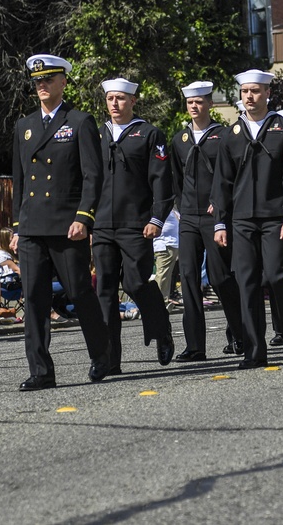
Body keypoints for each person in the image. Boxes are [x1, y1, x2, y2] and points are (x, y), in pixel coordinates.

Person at [11, 53, 110, 390]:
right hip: (32, 227)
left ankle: (102, 355)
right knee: (35, 300)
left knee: (80, 293)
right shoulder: (23, 127)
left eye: (48, 79)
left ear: (63, 82)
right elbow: (20, 182)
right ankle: (41, 370)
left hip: (67, 226)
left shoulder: (79, 122)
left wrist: (85, 217)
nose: (42, 85)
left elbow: (92, 176)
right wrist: (16, 227)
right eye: (37, 81)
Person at [212, 69, 283, 369]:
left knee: (278, 278)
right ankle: (254, 350)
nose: (249, 97)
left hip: (276, 217)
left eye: (255, 91)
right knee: (247, 282)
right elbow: (222, 181)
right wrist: (220, 222)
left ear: (267, 94)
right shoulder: (232, 134)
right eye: (245, 92)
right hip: (241, 220)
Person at [93, 77, 176, 373]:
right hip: (101, 223)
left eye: (121, 99)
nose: (115, 104)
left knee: (135, 283)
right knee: (104, 291)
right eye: (110, 99)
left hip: (136, 224)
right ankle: (108, 360)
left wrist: (157, 218)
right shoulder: (96, 135)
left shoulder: (149, 133)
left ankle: (161, 329)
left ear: (133, 101)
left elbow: (161, 180)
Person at [168, 80, 244, 362]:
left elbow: (231, 176)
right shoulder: (180, 139)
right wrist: (179, 207)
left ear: (210, 104)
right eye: (190, 103)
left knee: (221, 277)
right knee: (187, 278)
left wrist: (222, 206)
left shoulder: (223, 136)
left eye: (200, 102)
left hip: (215, 218)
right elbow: (175, 178)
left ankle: (239, 334)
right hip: (188, 217)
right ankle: (195, 346)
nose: (194, 107)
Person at [152, 208, 180, 305]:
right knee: (162, 275)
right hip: (165, 245)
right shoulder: (160, 208)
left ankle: (164, 299)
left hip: (173, 245)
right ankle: (157, 301)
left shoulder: (173, 210)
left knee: (167, 276)